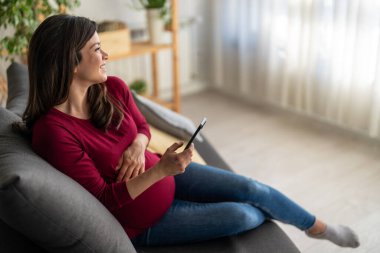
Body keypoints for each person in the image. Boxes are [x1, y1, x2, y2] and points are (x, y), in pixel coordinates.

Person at [21, 14, 359, 248]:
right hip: (144, 222)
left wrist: (140, 144)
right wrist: (162, 170)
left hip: (167, 174)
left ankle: (319, 228)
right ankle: (287, 219)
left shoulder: (113, 88)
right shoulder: (53, 132)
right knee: (246, 212)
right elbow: (104, 201)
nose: (106, 54)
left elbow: (140, 125)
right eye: (97, 49)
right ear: (70, 61)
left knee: (251, 187)